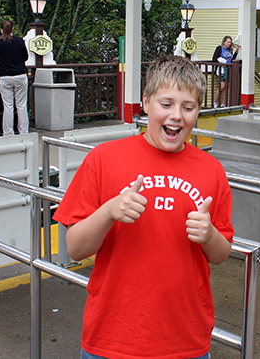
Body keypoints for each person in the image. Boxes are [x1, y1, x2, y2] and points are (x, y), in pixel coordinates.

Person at [53, 55, 234, 359]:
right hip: (112, 340)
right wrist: (109, 211)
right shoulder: (104, 158)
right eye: (166, 104)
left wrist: (209, 234)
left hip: (186, 341)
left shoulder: (211, 169)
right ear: (146, 102)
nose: (176, 115)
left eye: (188, 108)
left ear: (198, 112)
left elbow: (220, 254)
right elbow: (74, 248)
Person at [0, 20, 29, 136]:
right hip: (20, 75)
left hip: (5, 77)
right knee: (21, 105)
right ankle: (24, 132)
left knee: (8, 106)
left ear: (1, 30)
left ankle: (8, 133)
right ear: (12, 30)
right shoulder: (20, 41)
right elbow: (25, 57)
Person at [212, 35, 241, 107]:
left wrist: (236, 52)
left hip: (229, 70)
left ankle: (223, 103)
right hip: (221, 70)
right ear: (224, 42)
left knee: (226, 87)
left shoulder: (229, 50)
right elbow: (214, 59)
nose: (229, 44)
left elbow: (231, 59)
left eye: (230, 42)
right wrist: (222, 62)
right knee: (222, 86)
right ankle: (215, 102)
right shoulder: (219, 48)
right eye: (228, 42)